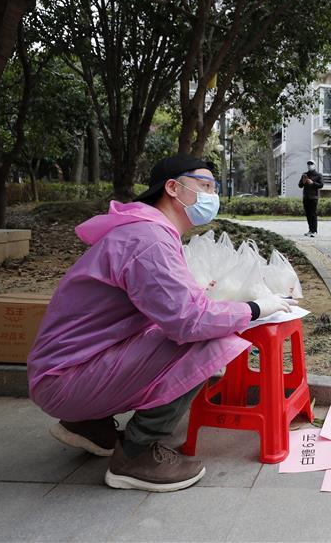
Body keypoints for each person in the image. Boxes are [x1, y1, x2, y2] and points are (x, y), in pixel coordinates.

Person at [27, 154, 296, 492]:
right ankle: (137, 454)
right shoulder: (148, 239)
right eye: (205, 186)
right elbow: (190, 322)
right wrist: (256, 308)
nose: (213, 195)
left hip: (64, 371)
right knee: (212, 340)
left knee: (188, 327)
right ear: (173, 188)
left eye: (215, 187)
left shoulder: (144, 231)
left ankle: (89, 425)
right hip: (67, 379)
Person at [298, 160, 324, 237]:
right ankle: (310, 230)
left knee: (313, 214)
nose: (309, 165)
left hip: (314, 197)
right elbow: (300, 185)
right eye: (308, 164)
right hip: (306, 197)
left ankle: (314, 231)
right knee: (308, 214)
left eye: (311, 164)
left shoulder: (318, 175)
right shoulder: (304, 174)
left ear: (314, 165)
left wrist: (313, 183)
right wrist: (303, 182)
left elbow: (321, 185)